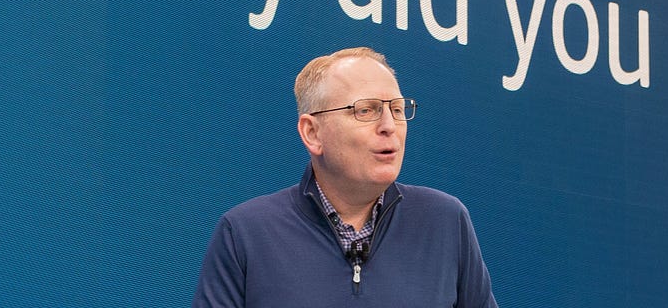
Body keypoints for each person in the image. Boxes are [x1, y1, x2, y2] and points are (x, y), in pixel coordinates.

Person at [194, 47, 497, 307]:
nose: (389, 126)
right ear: (312, 133)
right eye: (366, 111)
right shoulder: (245, 233)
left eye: (397, 109)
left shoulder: (445, 221)